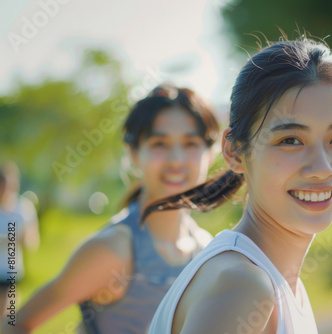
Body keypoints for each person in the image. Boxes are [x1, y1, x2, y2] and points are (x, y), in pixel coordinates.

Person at [144, 37, 332, 334]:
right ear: (234, 152)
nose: (322, 168)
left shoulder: (271, 282)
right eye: (290, 141)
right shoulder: (243, 287)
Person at [2, 84, 220, 334]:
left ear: (210, 153)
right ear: (134, 153)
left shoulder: (205, 249)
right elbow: (16, 323)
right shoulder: (114, 249)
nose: (176, 160)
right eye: (160, 143)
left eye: (191, 143)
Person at [0, 162, 40, 314]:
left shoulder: (23, 208)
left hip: (11, 272)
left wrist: (13, 239)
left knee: (8, 316)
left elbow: (32, 242)